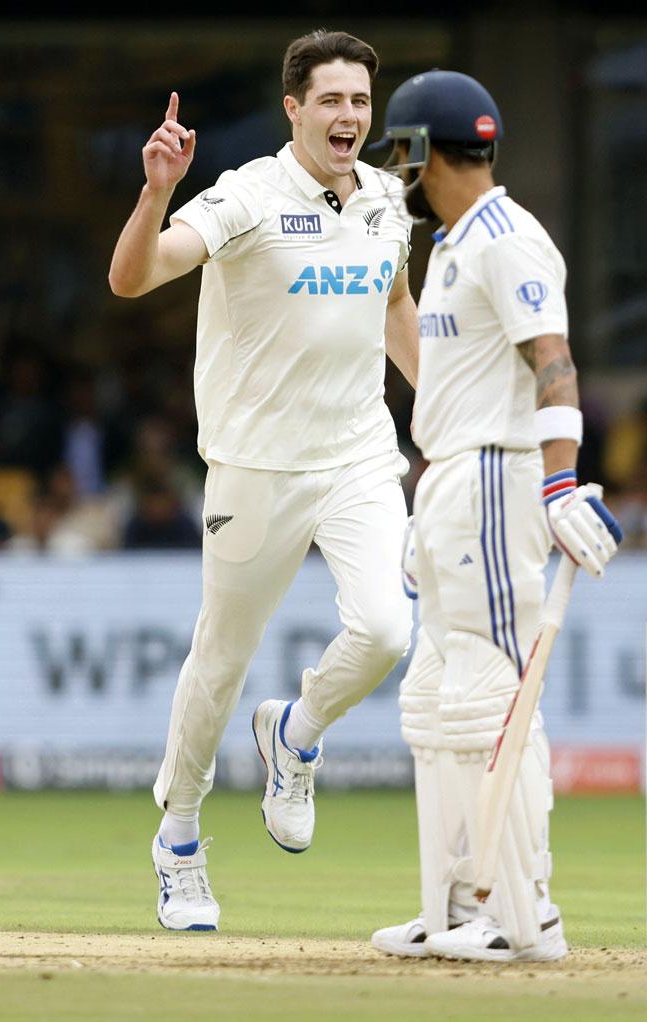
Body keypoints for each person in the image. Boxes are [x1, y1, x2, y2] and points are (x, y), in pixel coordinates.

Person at [108, 29, 420, 932]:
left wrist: (445, 416)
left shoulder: (390, 200)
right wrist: (156, 191)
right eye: (331, 100)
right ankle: (179, 838)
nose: (349, 118)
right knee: (223, 659)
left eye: (360, 102)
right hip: (255, 463)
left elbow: (395, 308)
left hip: (359, 455)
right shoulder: (245, 194)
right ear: (293, 108)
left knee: (388, 630)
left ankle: (295, 733)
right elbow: (133, 278)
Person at [366, 70, 622, 963]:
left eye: (400, 150)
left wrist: (560, 485)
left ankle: (526, 916)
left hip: (495, 481)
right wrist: (425, 506)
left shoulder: (510, 240)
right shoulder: (453, 247)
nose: (395, 168)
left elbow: (554, 364)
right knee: (435, 700)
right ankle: (450, 908)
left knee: (491, 696)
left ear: (425, 151)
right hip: (447, 485)